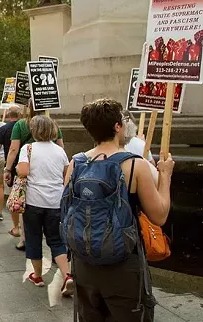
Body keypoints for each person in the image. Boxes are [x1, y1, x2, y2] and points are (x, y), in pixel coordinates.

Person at [64, 98, 174, 322]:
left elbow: (66, 208)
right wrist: (165, 177)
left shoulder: (76, 163)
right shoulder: (135, 165)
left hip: (83, 263)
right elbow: (160, 215)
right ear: (117, 127)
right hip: (123, 266)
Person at [14, 116, 73, 295]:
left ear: (35, 130)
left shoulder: (28, 148)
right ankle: (68, 275)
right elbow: (66, 174)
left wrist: (17, 169)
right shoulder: (59, 151)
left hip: (34, 201)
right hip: (55, 202)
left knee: (33, 237)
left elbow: (23, 171)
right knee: (56, 239)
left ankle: (37, 276)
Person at [3, 101, 64, 248]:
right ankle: (55, 245)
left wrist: (8, 168)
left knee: (26, 203)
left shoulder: (20, 125)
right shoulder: (53, 125)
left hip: (26, 169)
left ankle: (24, 239)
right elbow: (61, 146)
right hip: (49, 172)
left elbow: (13, 149)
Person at [0, 105, 22, 240]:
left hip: (13, 165)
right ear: (20, 115)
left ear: (7, 115)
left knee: (15, 196)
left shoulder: (4, 128)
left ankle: (16, 226)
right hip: (29, 164)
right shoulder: (26, 126)